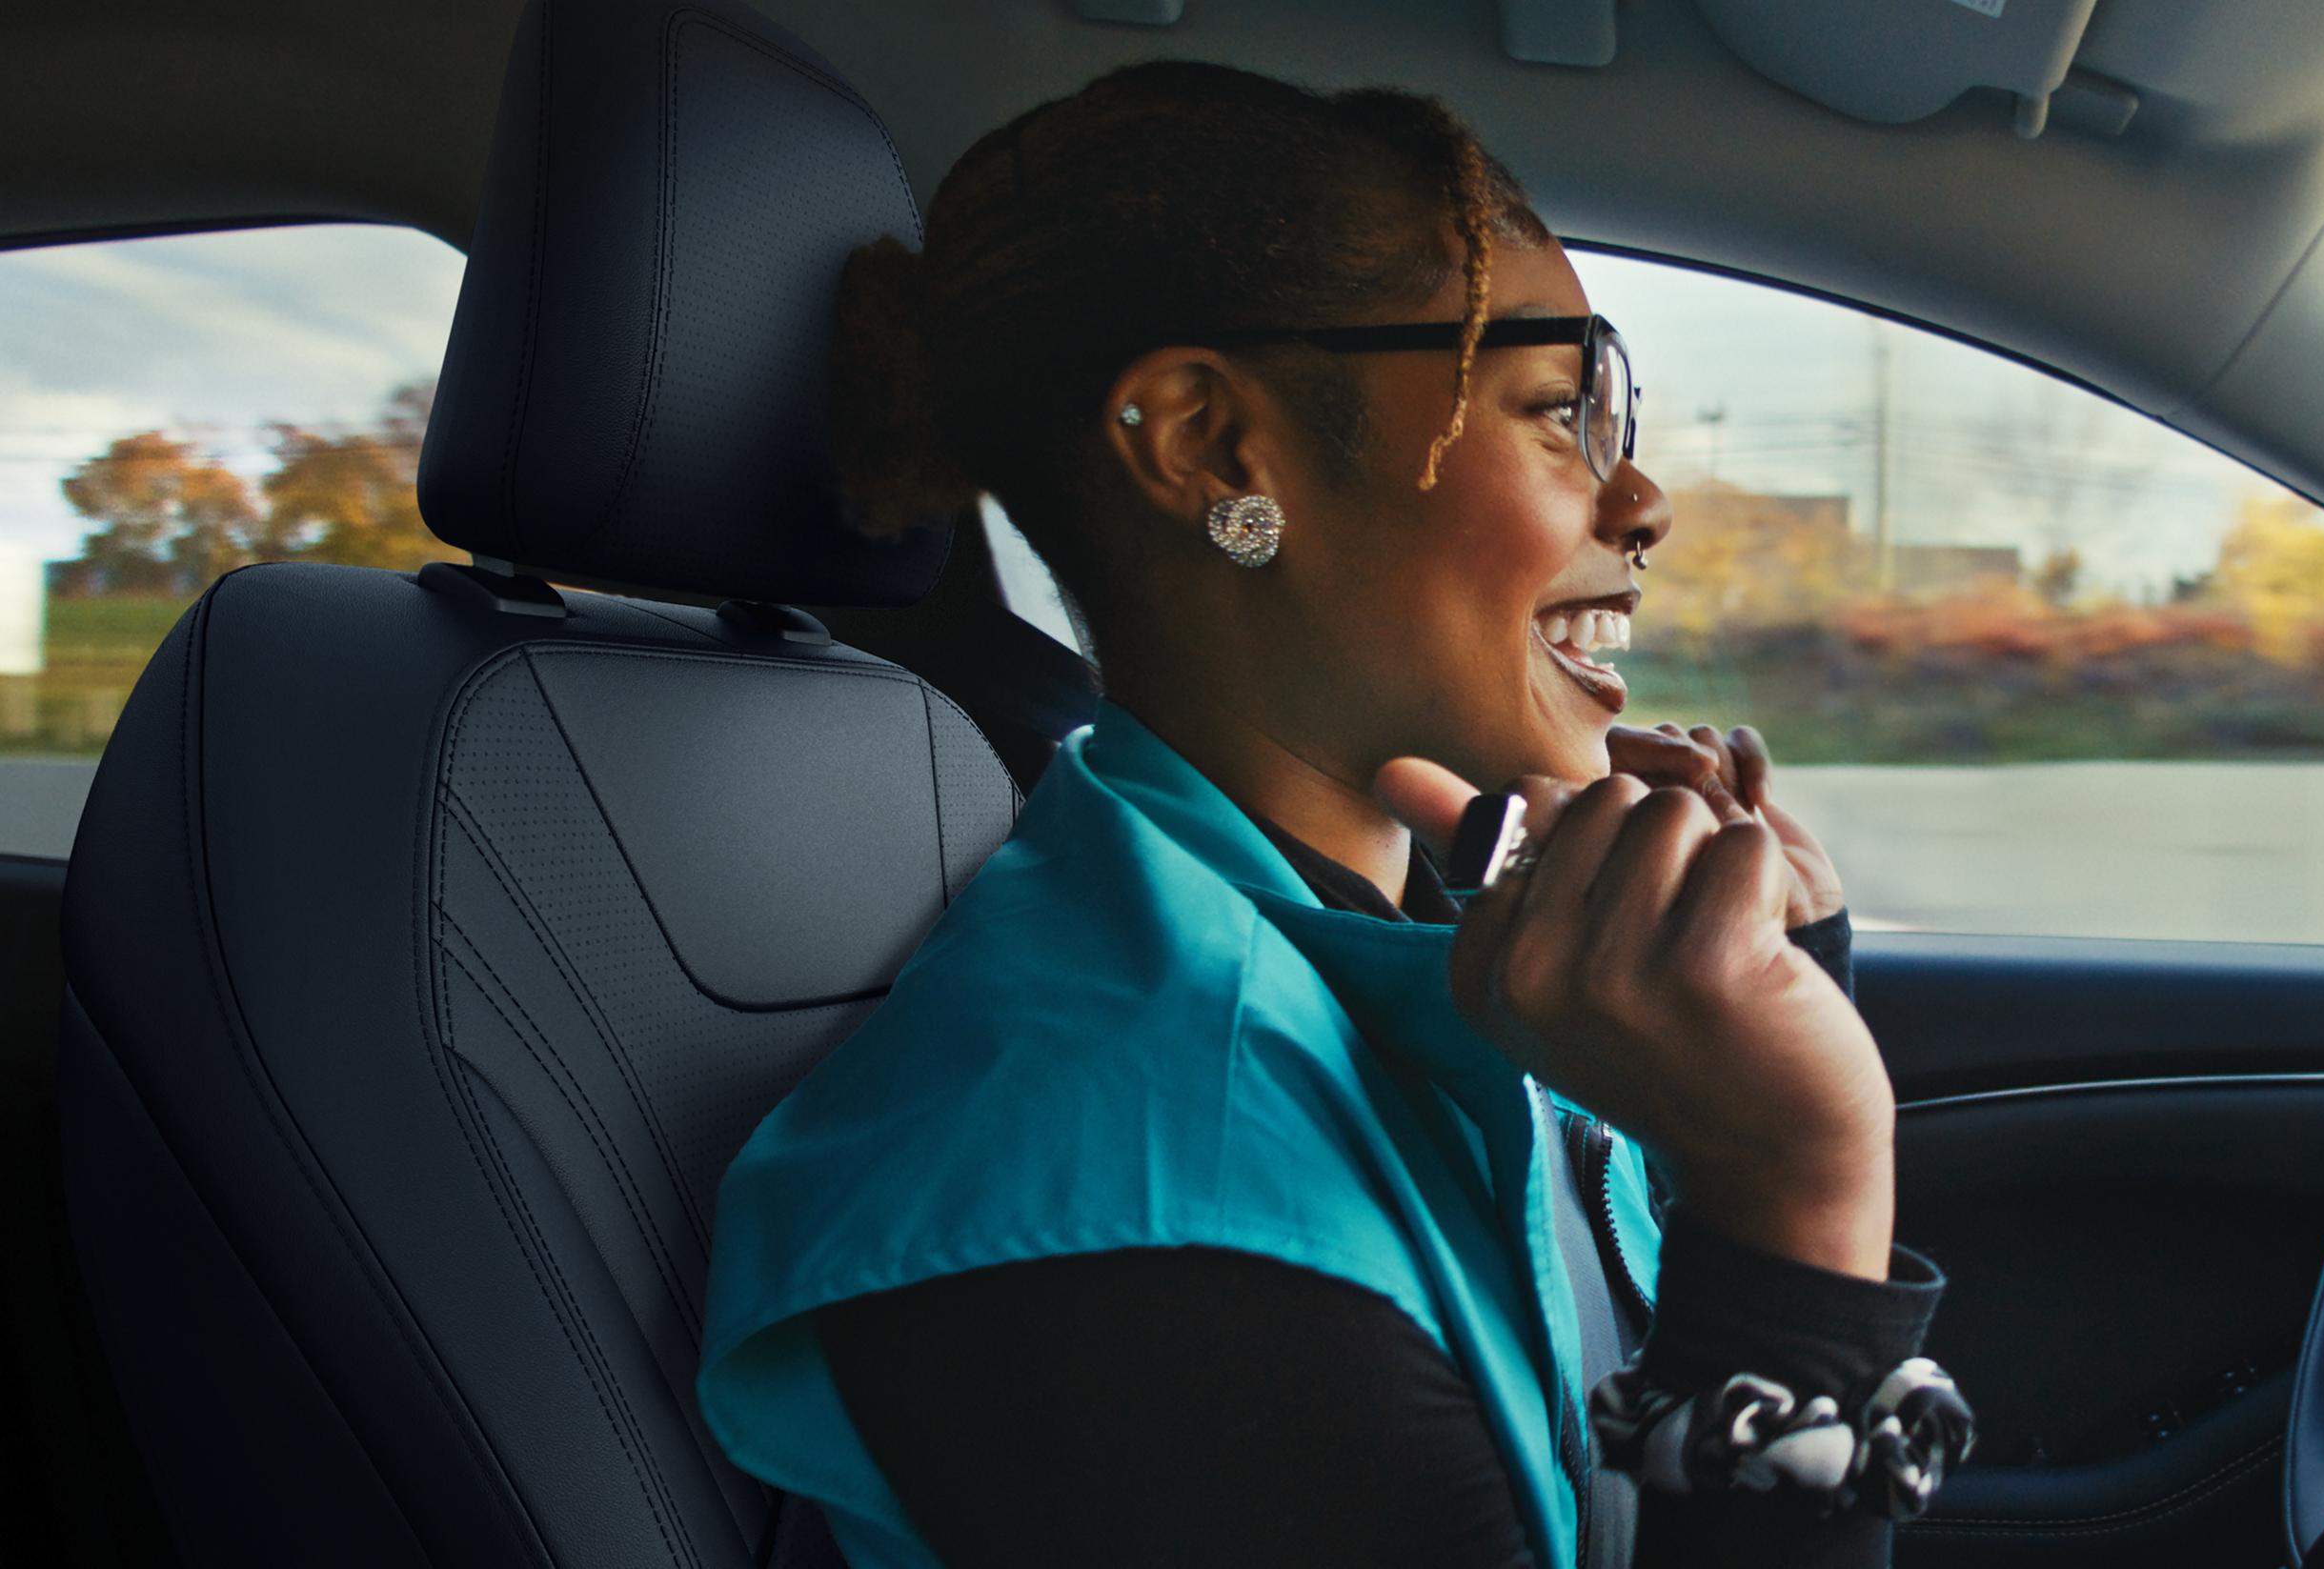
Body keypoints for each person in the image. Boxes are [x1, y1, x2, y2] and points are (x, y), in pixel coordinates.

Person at [695, 61, 1968, 1569]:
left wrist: (1774, 985)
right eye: (1562, 414)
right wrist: (1792, 1211)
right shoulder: (1138, 1212)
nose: (1642, 503)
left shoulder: (1378, 938)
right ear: (1210, 447)